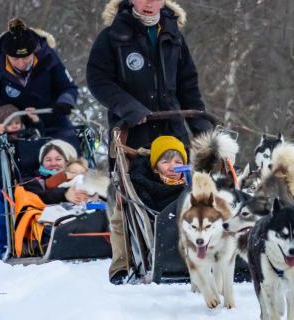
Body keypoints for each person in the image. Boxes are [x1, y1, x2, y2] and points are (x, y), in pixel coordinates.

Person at [87, 0, 213, 284]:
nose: (148, 3)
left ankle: (188, 256)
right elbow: (98, 81)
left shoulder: (173, 35)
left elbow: (188, 85)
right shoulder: (112, 37)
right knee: (126, 195)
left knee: (182, 192)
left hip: (172, 128)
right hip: (131, 131)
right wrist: (129, 108)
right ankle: (124, 264)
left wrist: (202, 129)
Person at [0, 18, 79, 159]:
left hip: (53, 121)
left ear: (33, 52)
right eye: (15, 59)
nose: (21, 63)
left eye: (26, 57)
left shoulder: (48, 58)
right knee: (25, 166)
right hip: (14, 132)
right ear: (6, 55)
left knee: (70, 157)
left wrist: (65, 102)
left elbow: (68, 87)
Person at [0, 104, 44, 259]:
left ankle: (25, 249)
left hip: (22, 185)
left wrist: (36, 121)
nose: (14, 125)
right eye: (10, 123)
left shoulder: (27, 136)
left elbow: (41, 141)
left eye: (17, 122)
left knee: (24, 217)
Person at [130, 135, 187, 212]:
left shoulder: (194, 186)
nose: (172, 168)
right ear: (156, 168)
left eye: (178, 162)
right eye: (165, 162)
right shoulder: (145, 189)